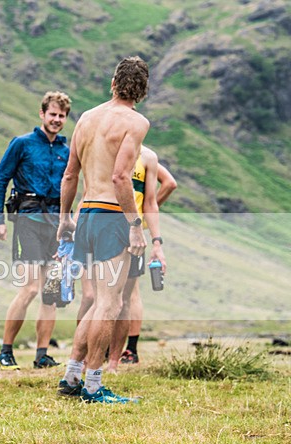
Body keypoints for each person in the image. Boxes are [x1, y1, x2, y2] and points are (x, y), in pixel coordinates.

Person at [55, 56, 150, 403]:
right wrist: (135, 224)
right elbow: (121, 177)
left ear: (113, 83)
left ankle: (71, 376)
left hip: (87, 214)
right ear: (142, 90)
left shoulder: (86, 118)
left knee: (97, 302)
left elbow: (70, 174)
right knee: (110, 303)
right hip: (113, 216)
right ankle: (93, 385)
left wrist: (65, 218)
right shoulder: (136, 122)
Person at [0, 91, 72, 370]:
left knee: (51, 291)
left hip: (56, 225)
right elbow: (1, 179)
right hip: (28, 220)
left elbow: (71, 186)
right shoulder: (22, 144)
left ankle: (42, 355)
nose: (56, 119)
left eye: (62, 116)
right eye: (53, 114)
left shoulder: (66, 151)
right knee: (31, 287)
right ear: (42, 114)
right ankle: (5, 352)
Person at [74, 157, 177, 370]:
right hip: (101, 227)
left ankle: (112, 362)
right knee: (97, 299)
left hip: (131, 233)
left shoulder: (147, 157)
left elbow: (160, 193)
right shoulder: (104, 151)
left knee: (123, 301)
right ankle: (83, 361)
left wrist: (146, 227)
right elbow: (86, 195)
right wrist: (74, 228)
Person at [116, 162, 176, 364]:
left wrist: (143, 212)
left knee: (113, 291)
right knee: (131, 293)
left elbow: (170, 183)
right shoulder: (144, 155)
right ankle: (130, 349)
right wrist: (143, 213)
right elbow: (169, 183)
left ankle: (109, 347)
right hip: (134, 227)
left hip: (115, 224)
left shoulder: (123, 153)